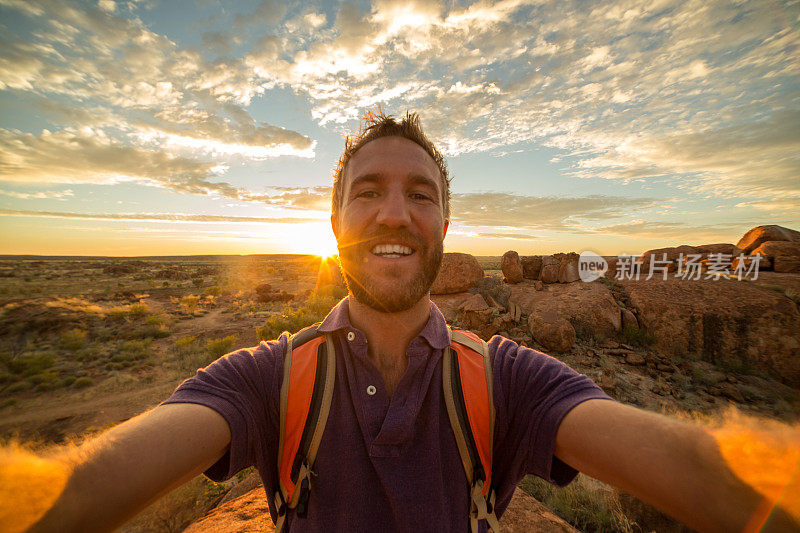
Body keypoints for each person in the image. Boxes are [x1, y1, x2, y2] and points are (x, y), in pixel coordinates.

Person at [14, 112, 799, 532]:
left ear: (447, 225)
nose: (396, 211)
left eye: (421, 194)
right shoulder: (267, 377)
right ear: (333, 223)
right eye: (369, 191)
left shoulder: (504, 377)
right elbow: (81, 488)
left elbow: (700, 471)